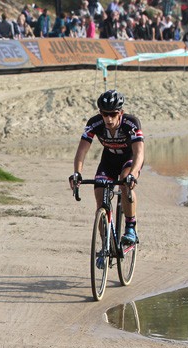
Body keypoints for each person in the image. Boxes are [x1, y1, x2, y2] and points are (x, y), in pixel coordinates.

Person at [70, 89, 143, 245]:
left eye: (113, 114)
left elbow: (139, 152)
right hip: (109, 159)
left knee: (125, 182)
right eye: (105, 114)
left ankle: (130, 226)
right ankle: (105, 245)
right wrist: (77, 173)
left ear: (121, 112)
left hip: (129, 159)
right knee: (100, 197)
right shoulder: (94, 123)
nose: (109, 119)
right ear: (100, 113)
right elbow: (82, 150)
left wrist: (134, 174)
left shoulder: (131, 123)